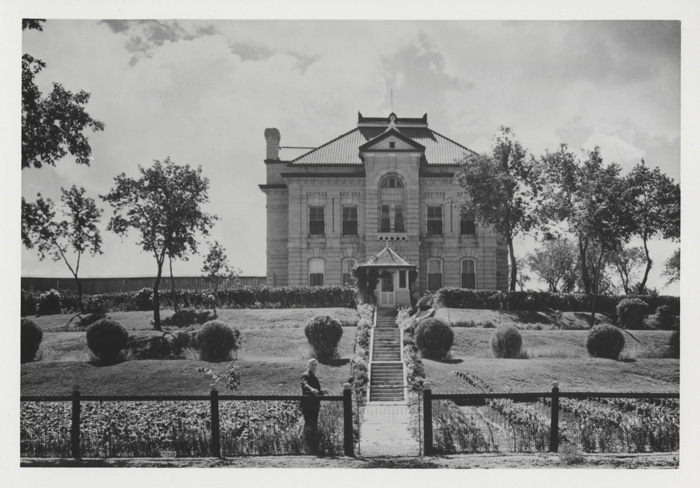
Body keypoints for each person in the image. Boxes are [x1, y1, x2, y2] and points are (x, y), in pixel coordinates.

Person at [300, 359, 328, 454]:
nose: (314, 367)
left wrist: (321, 392)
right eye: (312, 365)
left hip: (315, 404)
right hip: (307, 404)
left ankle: (314, 447)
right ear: (308, 366)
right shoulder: (305, 375)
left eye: (316, 365)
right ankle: (306, 446)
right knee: (308, 424)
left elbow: (316, 391)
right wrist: (312, 389)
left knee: (314, 425)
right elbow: (305, 384)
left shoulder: (315, 376)